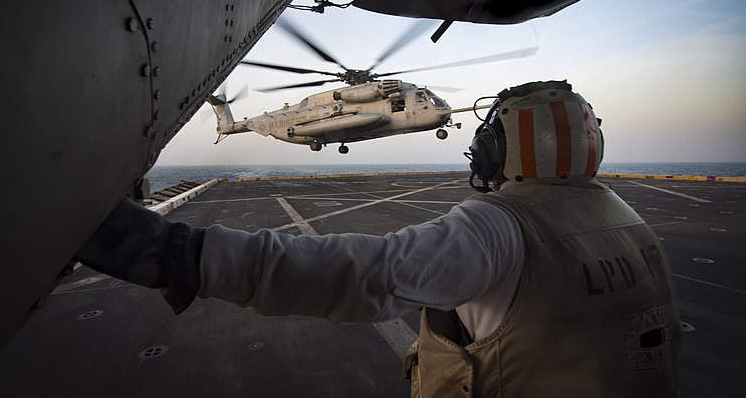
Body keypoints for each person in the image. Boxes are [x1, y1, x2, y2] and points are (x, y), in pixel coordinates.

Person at [78, 80, 681, 397]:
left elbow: (362, 273)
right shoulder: (630, 223)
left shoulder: (499, 227)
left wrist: (183, 255)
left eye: (490, 138)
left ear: (506, 146)